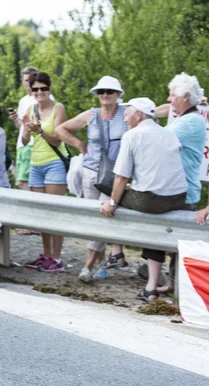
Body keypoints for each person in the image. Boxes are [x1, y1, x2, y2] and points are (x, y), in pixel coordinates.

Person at [100, 98, 188, 303]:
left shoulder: (132, 135)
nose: (124, 116)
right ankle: (151, 288)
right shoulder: (169, 133)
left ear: (138, 114)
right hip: (178, 198)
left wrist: (112, 203)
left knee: (106, 186)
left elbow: (121, 176)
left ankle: (116, 251)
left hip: (151, 200)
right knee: (153, 225)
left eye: (127, 112)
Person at [55, 76, 128, 283]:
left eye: (110, 91)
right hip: (90, 171)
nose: (105, 95)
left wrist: (195, 103)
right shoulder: (91, 115)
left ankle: (86, 266)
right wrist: (79, 144)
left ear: (118, 95)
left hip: (114, 175)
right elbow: (61, 129)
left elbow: (154, 112)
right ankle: (101, 265)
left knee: (102, 216)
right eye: (101, 91)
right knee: (94, 217)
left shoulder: (127, 113)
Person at [153, 73, 207, 294]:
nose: (169, 99)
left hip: (183, 191)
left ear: (185, 97)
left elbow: (157, 139)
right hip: (178, 188)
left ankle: (178, 288)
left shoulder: (191, 122)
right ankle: (173, 285)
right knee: (175, 242)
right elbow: (155, 113)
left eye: (172, 95)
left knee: (179, 243)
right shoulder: (186, 118)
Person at [22, 71, 68, 272]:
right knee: (41, 213)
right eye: (36, 89)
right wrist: (26, 129)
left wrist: (40, 130)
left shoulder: (59, 109)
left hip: (53, 162)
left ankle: (57, 258)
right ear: (31, 91)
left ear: (49, 89)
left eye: (43, 88)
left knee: (55, 211)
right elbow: (24, 141)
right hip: (36, 162)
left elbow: (58, 138)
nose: (40, 92)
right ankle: (46, 254)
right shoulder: (31, 109)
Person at [9, 67, 38, 191]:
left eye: (30, 80)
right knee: (21, 183)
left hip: (33, 145)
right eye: (25, 80)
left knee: (24, 182)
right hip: (22, 144)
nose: (27, 83)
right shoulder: (23, 100)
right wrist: (16, 119)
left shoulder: (41, 97)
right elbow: (20, 126)